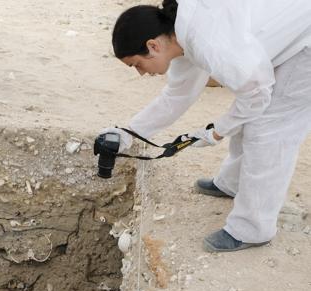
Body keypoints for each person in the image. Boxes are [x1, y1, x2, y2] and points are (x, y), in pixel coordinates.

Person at [105, 0, 311, 252]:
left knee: (269, 128)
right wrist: (127, 134)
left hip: (306, 41)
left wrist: (216, 131)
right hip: (285, 31)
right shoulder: (180, 37)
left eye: (137, 64)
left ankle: (252, 229)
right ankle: (232, 183)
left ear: (152, 45)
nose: (141, 73)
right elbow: (176, 97)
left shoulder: (210, 42)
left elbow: (256, 92)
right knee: (252, 114)